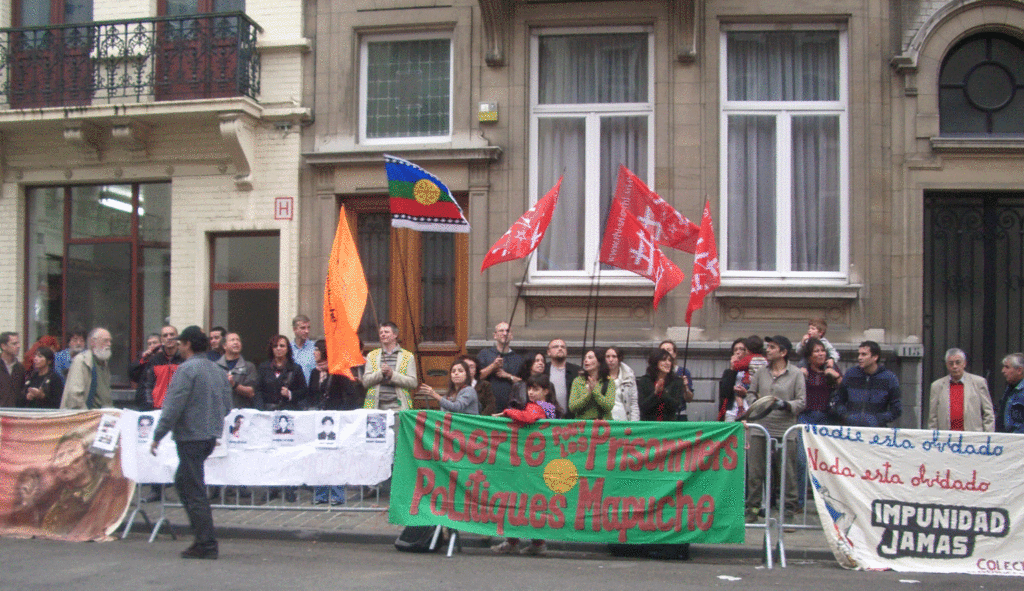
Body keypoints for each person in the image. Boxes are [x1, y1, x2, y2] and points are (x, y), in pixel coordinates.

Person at [150, 326, 232, 559]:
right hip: (208, 436)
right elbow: (227, 406)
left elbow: (173, 405)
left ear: (187, 344)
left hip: (191, 436)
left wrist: (158, 435)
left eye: (181, 343)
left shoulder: (186, 370)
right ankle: (202, 539)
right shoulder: (217, 370)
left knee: (193, 488)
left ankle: (206, 543)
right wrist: (211, 422)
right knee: (185, 482)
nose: (178, 346)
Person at [492, 373, 559, 556]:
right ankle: (535, 543)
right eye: (529, 388)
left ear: (546, 391)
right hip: (538, 461)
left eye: (535, 389)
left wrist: (508, 412)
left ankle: (515, 541)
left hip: (530, 462)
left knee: (519, 501)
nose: (531, 392)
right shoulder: (550, 408)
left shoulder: (539, 407)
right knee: (533, 503)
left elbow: (528, 418)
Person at [741, 335, 806, 522]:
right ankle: (752, 509)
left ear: (783, 352)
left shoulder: (796, 374)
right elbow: (750, 393)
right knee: (755, 472)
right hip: (761, 428)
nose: (767, 350)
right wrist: (757, 404)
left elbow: (801, 402)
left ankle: (788, 512)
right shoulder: (761, 372)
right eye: (767, 347)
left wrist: (785, 405)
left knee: (787, 473)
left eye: (772, 347)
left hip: (785, 430)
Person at [309, 338, 353, 506]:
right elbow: (311, 393)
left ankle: (337, 494)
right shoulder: (314, 373)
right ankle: (320, 494)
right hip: (318, 420)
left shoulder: (338, 371)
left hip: (335, 419)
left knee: (335, 457)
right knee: (319, 457)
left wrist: (340, 413)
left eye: (316, 349)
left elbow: (350, 395)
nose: (314, 352)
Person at [831, 341, 902, 428]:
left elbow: (896, 409)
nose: (859, 358)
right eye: (859, 354)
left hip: (876, 430)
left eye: (864, 354)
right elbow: (839, 400)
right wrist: (845, 416)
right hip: (851, 429)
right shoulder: (851, 374)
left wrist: (878, 420)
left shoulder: (889, 378)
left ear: (875, 357)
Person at [928, 348, 994, 432]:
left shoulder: (979, 383)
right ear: (947, 365)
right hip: (947, 436)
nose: (954, 366)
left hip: (972, 435)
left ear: (964, 363)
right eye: (951, 364)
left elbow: (988, 413)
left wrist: (988, 435)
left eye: (958, 362)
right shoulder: (937, 386)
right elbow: (932, 418)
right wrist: (933, 436)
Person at [362, 322, 417, 411]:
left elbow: (413, 383)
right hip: (375, 407)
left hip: (398, 407)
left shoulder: (408, 356)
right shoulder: (372, 355)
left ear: (395, 335)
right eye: (381, 332)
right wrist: (380, 373)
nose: (383, 334)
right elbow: (365, 382)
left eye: (386, 332)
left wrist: (392, 375)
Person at [476, 322, 525, 412]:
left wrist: (508, 376)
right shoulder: (484, 354)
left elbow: (523, 383)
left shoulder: (519, 358)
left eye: (507, 331)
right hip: (487, 407)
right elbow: (477, 377)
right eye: (501, 331)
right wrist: (493, 366)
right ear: (495, 335)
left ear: (511, 336)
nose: (505, 333)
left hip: (512, 408)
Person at [60, 328, 113, 410]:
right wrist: (87, 414)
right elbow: (74, 396)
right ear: (93, 342)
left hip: (102, 413)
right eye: (105, 341)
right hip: (86, 415)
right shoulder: (82, 361)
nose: (109, 344)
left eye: (110, 341)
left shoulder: (103, 362)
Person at [637, 349, 686, 422]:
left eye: (669, 360)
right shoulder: (644, 381)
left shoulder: (676, 381)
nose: (668, 363)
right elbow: (642, 406)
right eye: (663, 360)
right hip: (649, 424)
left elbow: (676, 406)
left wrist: (663, 393)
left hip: (668, 424)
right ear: (655, 362)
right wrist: (655, 393)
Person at [144, 326, 184, 411]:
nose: (169, 338)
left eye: (172, 335)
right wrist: (150, 404)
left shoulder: (184, 359)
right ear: (161, 339)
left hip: (179, 409)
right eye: (165, 335)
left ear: (177, 337)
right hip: (158, 408)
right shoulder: (155, 360)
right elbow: (148, 385)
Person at [568, 350, 615, 420]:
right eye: (585, 358)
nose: (586, 360)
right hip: (583, 424)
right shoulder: (578, 381)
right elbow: (572, 407)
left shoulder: (609, 381)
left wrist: (595, 392)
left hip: (603, 424)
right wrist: (588, 394)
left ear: (599, 362)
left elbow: (609, 406)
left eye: (590, 358)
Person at [217, 333, 259, 409]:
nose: (236, 342)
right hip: (220, 411)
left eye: (238, 340)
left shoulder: (249, 366)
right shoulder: (216, 366)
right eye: (232, 340)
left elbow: (251, 392)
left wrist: (234, 384)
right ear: (224, 346)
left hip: (241, 412)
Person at [658, 340, 695, 421]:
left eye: (668, 350)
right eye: (663, 350)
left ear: (674, 354)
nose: (665, 352)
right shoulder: (654, 372)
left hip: (679, 415)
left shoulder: (683, 372)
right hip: (660, 415)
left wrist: (685, 387)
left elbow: (689, 399)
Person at [544, 338, 580, 418]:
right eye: (556, 347)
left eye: (563, 347)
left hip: (571, 418)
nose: (560, 349)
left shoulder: (576, 371)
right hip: (547, 418)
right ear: (549, 352)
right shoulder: (543, 370)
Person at [717, 338, 748, 421]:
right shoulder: (728, 372)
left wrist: (746, 392)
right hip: (732, 412)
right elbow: (724, 393)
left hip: (749, 410)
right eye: (735, 350)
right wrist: (732, 369)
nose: (738, 352)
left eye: (741, 349)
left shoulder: (751, 369)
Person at [606, 346, 639, 421]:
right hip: (605, 422)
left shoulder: (629, 376)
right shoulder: (600, 376)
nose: (610, 360)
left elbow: (633, 403)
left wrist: (634, 424)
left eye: (614, 356)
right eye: (608, 356)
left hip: (623, 420)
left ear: (619, 358)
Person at [996, 352, 1024, 433]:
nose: (1003, 371)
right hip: (1006, 438)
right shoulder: (1010, 388)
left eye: (1007, 367)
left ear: (1019, 370)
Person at [0, 331, 25, 408]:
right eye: (14, 344)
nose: (18, 346)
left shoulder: (20, 368)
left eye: (18, 343)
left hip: (14, 412)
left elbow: (21, 391)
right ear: (3, 346)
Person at [290, 315, 316, 384]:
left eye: (308, 328)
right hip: (293, 389)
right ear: (294, 329)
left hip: (310, 388)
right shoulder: (288, 348)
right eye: (303, 328)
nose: (307, 331)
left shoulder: (315, 348)